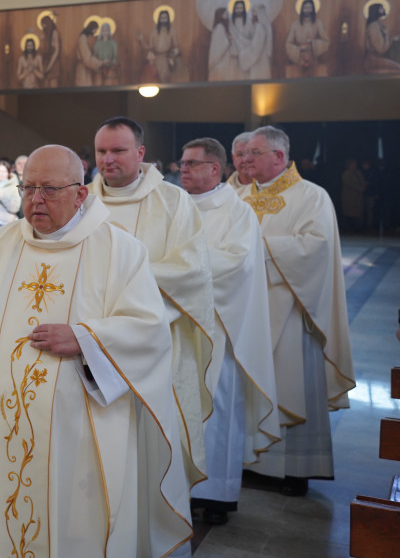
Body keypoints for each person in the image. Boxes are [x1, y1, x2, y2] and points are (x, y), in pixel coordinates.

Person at [0, 144, 191, 556]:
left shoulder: (119, 251)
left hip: (81, 435)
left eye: (49, 189)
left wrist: (87, 339)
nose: (36, 200)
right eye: (28, 187)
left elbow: (150, 332)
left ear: (81, 193)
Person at [90, 117, 216, 489]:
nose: (108, 159)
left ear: (140, 153)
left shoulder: (173, 201)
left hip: (156, 341)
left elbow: (191, 270)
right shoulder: (80, 200)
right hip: (90, 341)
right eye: (101, 151)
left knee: (151, 446)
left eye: (118, 150)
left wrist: (121, 280)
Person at [240, 126, 356, 496]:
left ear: (279, 156)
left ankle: (293, 470)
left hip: (290, 308)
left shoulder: (311, 197)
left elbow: (315, 248)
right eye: (244, 154)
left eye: (255, 153)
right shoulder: (239, 196)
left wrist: (253, 251)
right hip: (246, 311)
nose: (245, 160)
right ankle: (249, 462)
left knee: (289, 382)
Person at [179, 138, 280, 526]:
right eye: (182, 163)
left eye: (192, 163)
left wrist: (179, 268)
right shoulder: (174, 206)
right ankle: (180, 487)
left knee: (216, 409)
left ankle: (216, 494)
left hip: (220, 326)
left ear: (215, 169)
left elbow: (236, 266)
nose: (183, 169)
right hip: (177, 325)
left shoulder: (237, 212)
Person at [285, 0, 330, 78]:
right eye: (305, 8)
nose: (307, 10)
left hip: (313, 58)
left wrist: (313, 43)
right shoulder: (294, 25)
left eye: (309, 8)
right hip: (299, 57)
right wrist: (299, 48)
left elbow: (326, 41)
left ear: (313, 9)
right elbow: (288, 43)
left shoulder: (318, 23)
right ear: (302, 9)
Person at [227, 131, 254, 196]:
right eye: (240, 154)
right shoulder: (224, 192)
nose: (246, 159)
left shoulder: (270, 186)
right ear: (233, 158)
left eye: (252, 153)